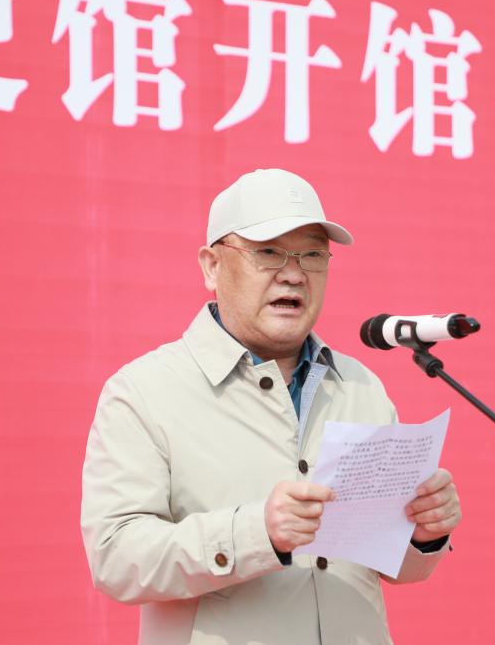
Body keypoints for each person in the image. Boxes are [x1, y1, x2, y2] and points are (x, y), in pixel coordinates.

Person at [81, 168, 462, 645]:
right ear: (211, 266)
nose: (294, 273)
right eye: (268, 252)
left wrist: (424, 532)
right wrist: (256, 533)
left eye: (312, 255)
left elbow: (391, 564)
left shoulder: (361, 386)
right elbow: (115, 559)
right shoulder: (144, 390)